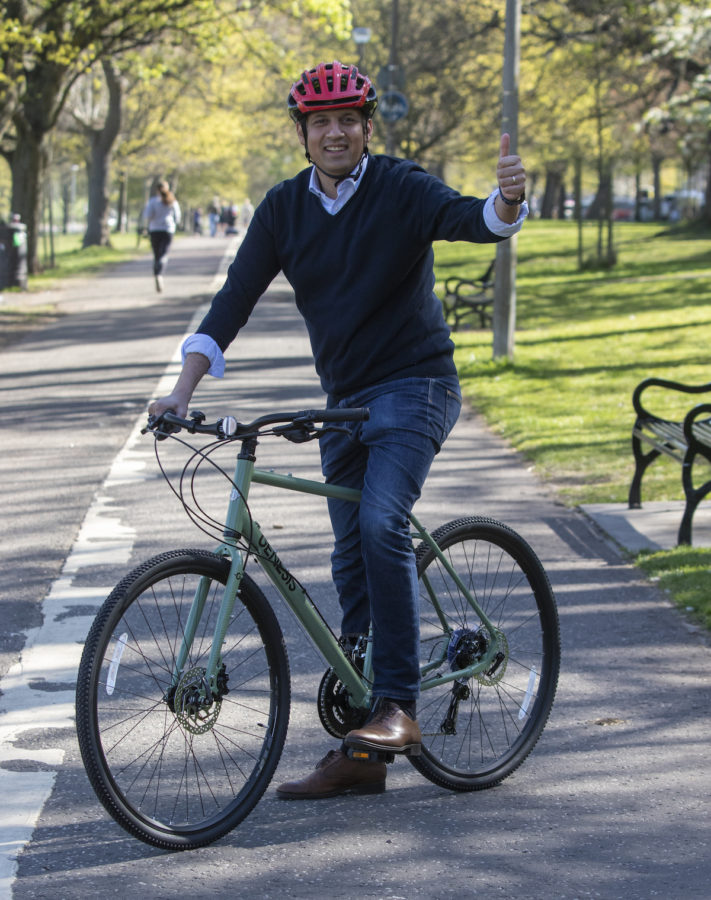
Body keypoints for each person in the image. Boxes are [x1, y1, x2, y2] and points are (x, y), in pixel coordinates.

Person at [148, 60, 528, 800]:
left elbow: (471, 221)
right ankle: (359, 759)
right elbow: (231, 302)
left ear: (365, 127)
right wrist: (179, 390)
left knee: (382, 525)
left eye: (347, 119)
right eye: (319, 121)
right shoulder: (284, 209)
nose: (334, 131)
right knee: (349, 561)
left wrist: (507, 202)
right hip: (344, 401)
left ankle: (397, 708)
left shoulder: (400, 187)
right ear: (303, 132)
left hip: (415, 386)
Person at [142, 179, 181, 292]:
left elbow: (148, 215)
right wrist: (173, 223)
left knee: (157, 254)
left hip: (155, 229)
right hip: (168, 229)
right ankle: (160, 273)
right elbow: (177, 216)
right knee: (164, 253)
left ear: (157, 190)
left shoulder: (153, 201)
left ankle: (157, 273)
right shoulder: (172, 201)